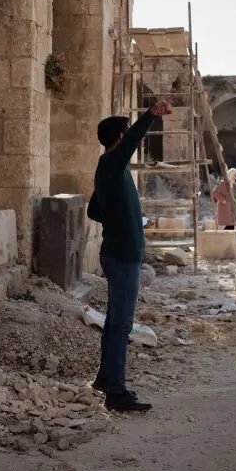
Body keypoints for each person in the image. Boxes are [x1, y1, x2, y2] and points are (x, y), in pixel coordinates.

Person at [87, 99, 173, 412]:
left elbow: (93, 209)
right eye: (126, 135)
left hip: (119, 252)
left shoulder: (108, 168)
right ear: (120, 138)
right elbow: (135, 139)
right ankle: (116, 393)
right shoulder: (112, 164)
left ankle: (104, 379)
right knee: (121, 324)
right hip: (122, 256)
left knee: (115, 322)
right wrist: (150, 115)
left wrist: (119, 218)